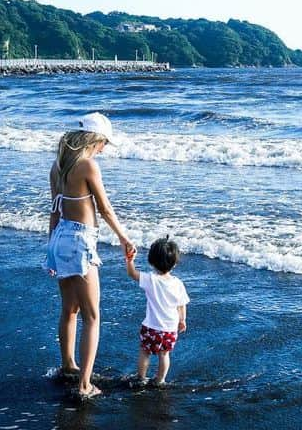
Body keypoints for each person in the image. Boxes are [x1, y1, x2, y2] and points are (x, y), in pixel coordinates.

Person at [43, 112, 135, 400]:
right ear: (94, 139)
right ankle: (84, 385)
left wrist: (51, 250)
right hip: (81, 240)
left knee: (69, 309)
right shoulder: (88, 166)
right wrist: (124, 238)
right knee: (92, 316)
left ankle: (69, 365)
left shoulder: (58, 166)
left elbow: (55, 211)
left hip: (60, 238)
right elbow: (105, 210)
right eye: (104, 142)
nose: (104, 148)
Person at [124, 236, 190, 387]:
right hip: (169, 329)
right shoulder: (178, 283)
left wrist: (129, 260)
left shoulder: (150, 279)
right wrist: (182, 320)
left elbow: (132, 273)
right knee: (164, 355)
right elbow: (182, 304)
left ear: (151, 260)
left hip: (151, 327)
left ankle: (141, 378)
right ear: (174, 264)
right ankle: (160, 380)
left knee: (145, 351)